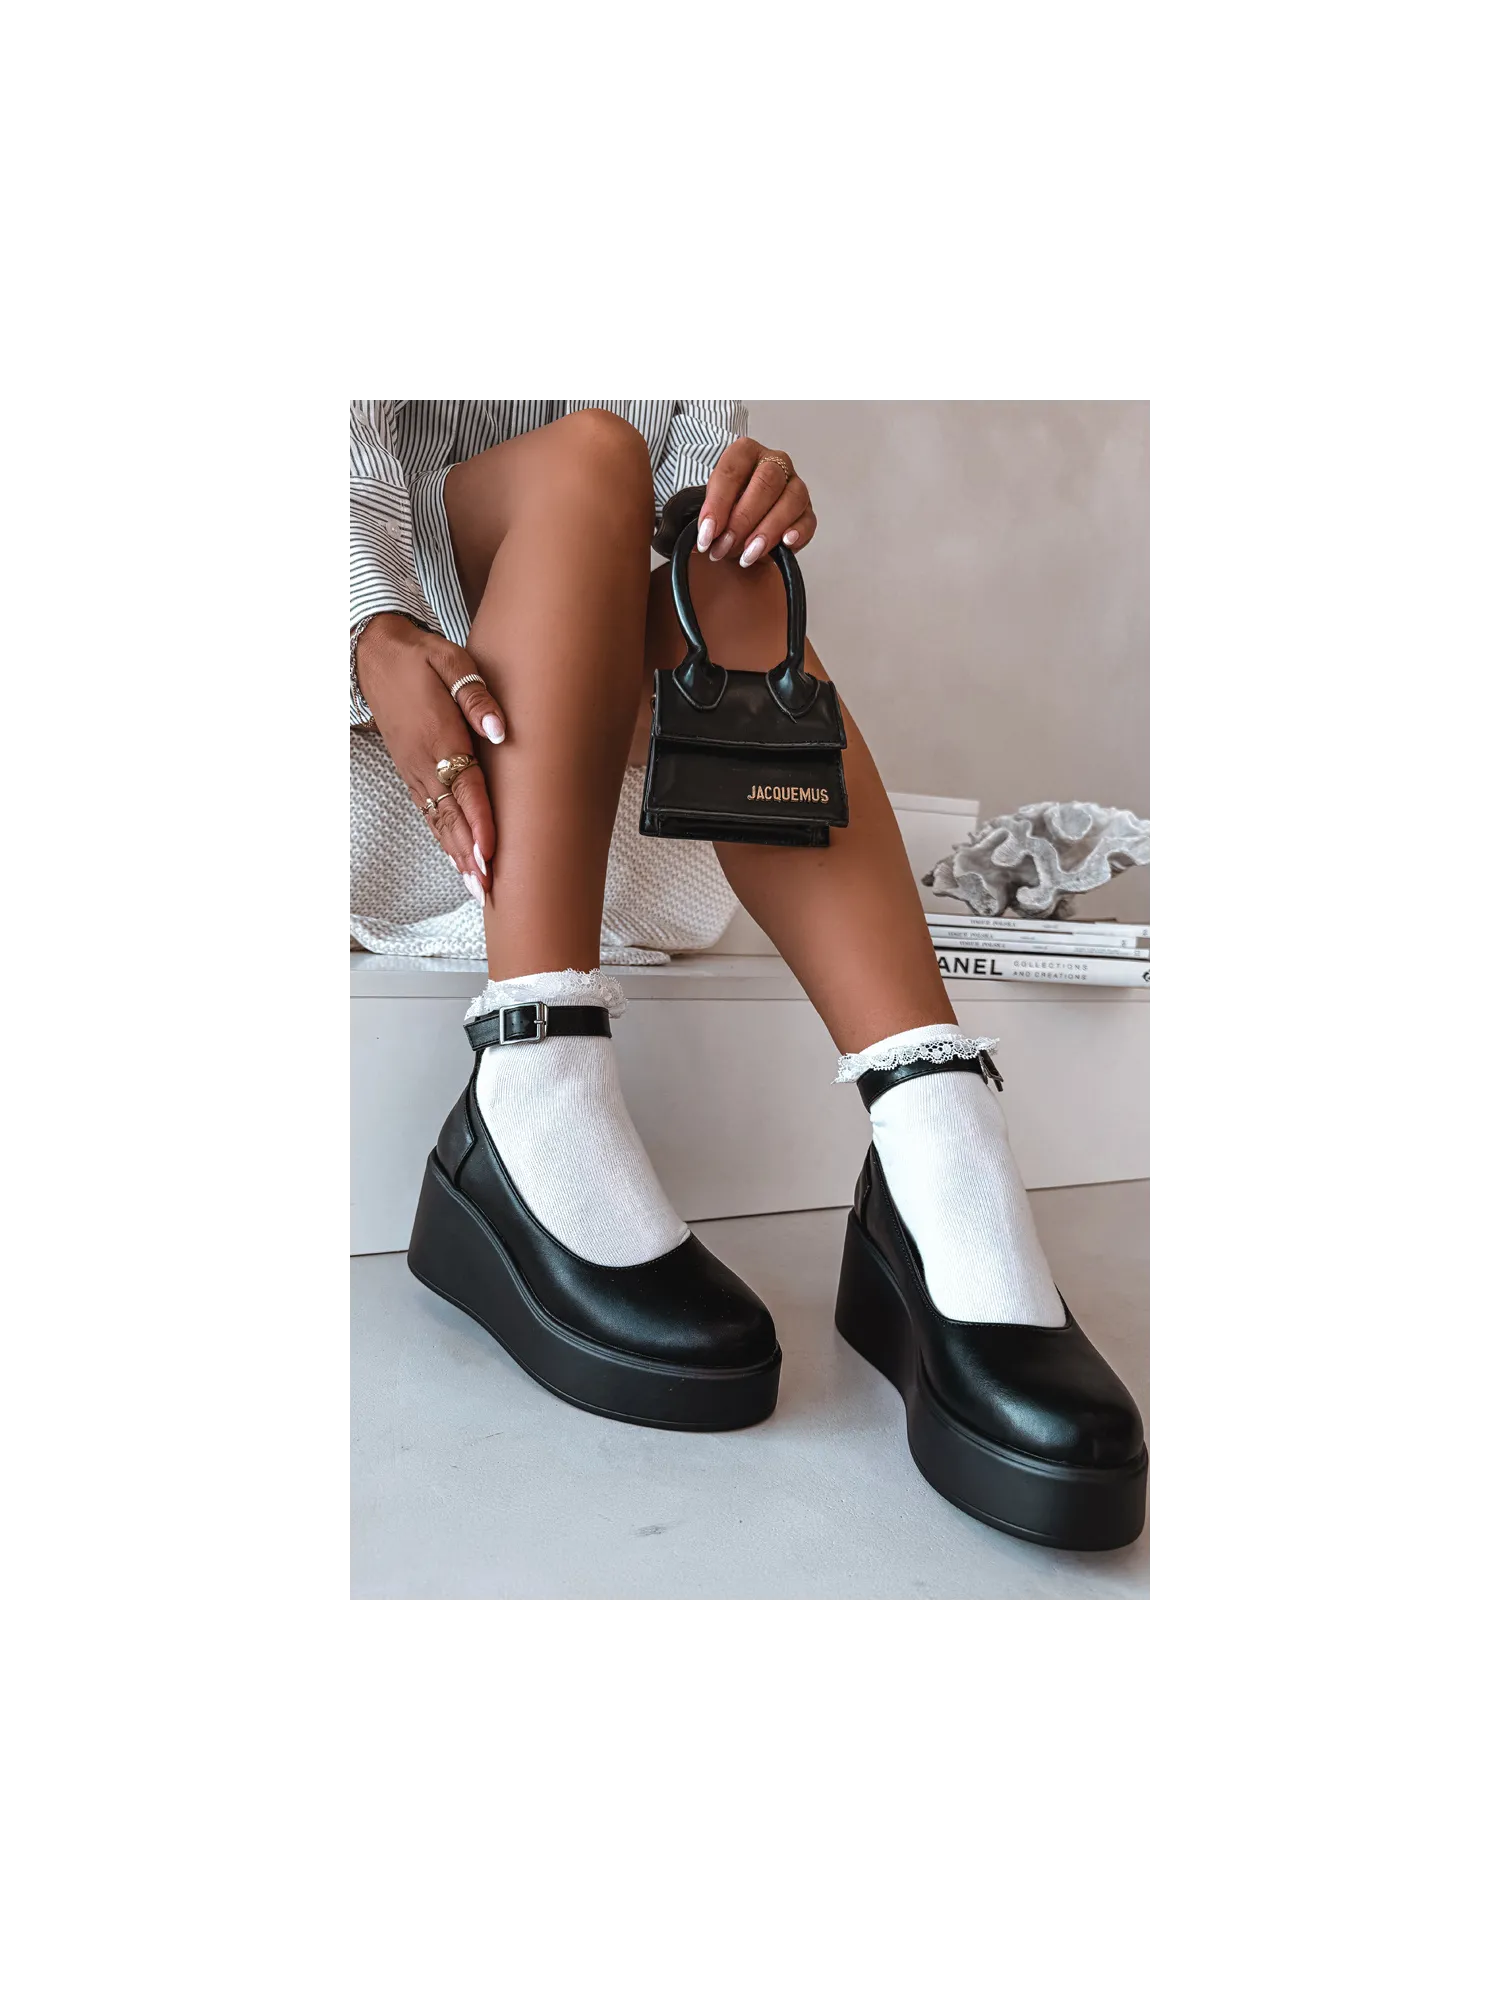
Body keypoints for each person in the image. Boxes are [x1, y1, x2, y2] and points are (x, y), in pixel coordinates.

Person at [346, 401, 1146, 1550]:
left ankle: (934, 1129)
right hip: (411, 719)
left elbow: (681, 508)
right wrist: (367, 624)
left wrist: (729, 494)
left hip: (587, 764)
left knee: (731, 564)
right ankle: (532, 1079)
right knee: (589, 455)